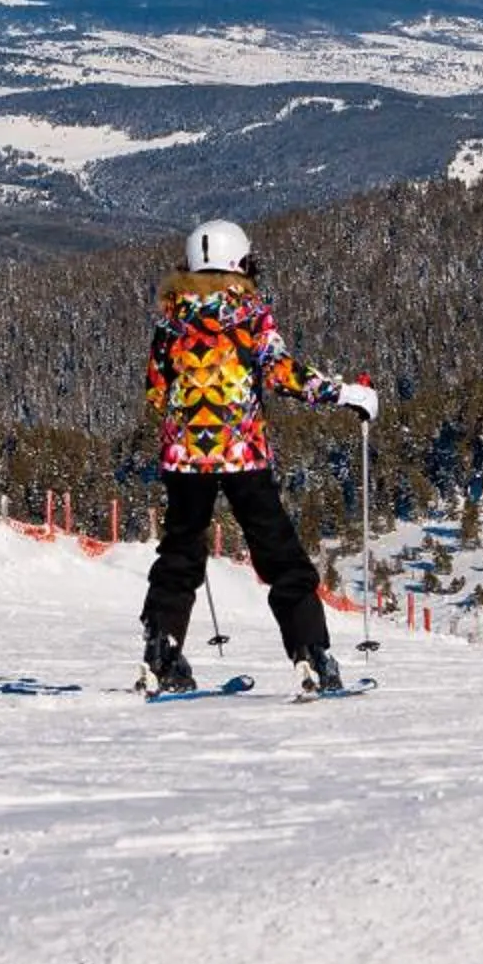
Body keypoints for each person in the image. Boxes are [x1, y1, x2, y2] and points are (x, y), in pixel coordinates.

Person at [137, 218, 378, 697]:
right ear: (239, 263)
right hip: (243, 455)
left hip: (184, 459)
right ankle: (311, 654)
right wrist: (344, 393)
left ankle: (161, 652)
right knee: (279, 555)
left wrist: (188, 422)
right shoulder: (249, 315)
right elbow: (284, 373)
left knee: (181, 552)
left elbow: (155, 391)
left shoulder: (169, 321)